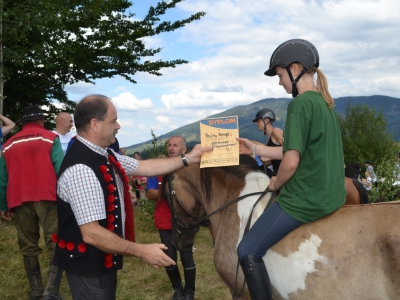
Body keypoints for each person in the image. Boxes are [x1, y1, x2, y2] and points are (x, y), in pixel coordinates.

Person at [53, 95, 211, 300]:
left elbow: (144, 166)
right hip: (88, 266)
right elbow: (92, 234)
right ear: (94, 124)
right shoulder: (81, 169)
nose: (117, 126)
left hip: (100, 262)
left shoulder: (105, 154)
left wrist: (188, 158)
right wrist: (141, 251)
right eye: (113, 121)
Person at [236, 39, 346, 299]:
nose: (279, 82)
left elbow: (291, 162)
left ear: (295, 69)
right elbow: (293, 151)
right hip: (332, 194)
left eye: (280, 74)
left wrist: (275, 184)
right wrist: (254, 149)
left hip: (305, 198)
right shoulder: (324, 104)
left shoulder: (298, 105)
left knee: (247, 250)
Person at [0, 105, 65, 300]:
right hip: (47, 196)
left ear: (24, 123)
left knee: (28, 246)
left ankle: (35, 290)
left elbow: (3, 178)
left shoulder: (8, 144)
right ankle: (51, 291)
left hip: (19, 199)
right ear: (41, 120)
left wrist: (4, 205)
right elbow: (60, 168)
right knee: (55, 242)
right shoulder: (50, 138)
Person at [146, 136, 196, 300]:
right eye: (169, 145)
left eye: (175, 145)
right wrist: (166, 190)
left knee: (186, 257)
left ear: (184, 150)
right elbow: (149, 193)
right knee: (170, 258)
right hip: (164, 220)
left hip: (185, 222)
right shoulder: (158, 168)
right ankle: (178, 289)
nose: (171, 148)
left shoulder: (191, 168)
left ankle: (189, 292)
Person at [252, 108, 283, 175]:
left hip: (284, 172)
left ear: (266, 120)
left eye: (258, 121)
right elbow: (275, 161)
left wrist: (270, 156)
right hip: (277, 172)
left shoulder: (276, 131)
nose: (257, 124)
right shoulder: (268, 138)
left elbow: (289, 151)